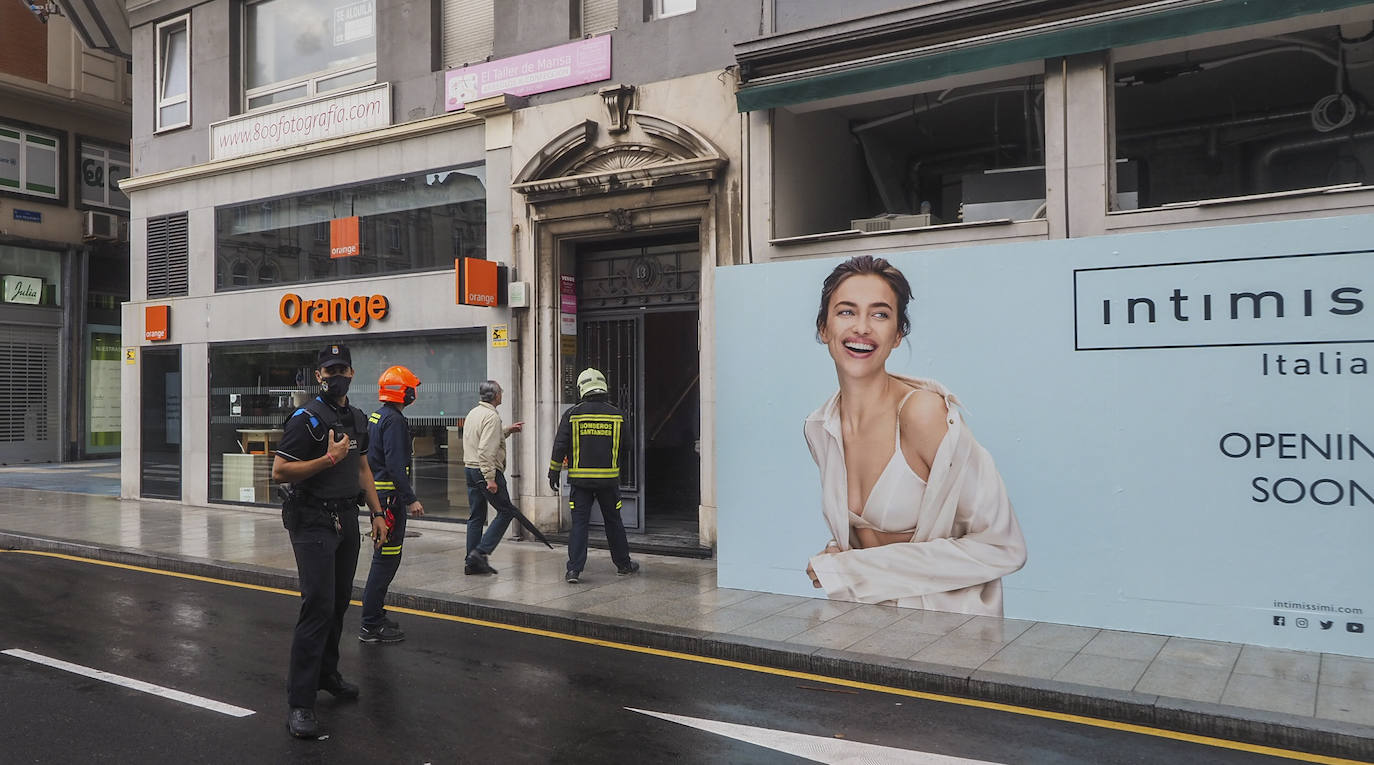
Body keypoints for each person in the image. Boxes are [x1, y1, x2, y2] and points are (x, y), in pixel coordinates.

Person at [803, 255, 1027, 617]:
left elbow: (1003, 547)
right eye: (846, 311)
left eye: (880, 314)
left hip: (947, 638)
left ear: (897, 335)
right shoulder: (820, 427)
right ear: (824, 328)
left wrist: (850, 569)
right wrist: (838, 554)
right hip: (862, 627)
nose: (862, 327)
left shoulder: (922, 414)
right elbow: (868, 541)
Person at [273, 343, 387, 739]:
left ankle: (328, 674)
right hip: (312, 521)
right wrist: (328, 460)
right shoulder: (306, 418)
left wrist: (376, 512)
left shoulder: (356, 417)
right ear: (318, 375)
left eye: (342, 368)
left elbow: (362, 467)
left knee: (338, 604)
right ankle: (300, 703)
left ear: (352, 373)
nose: (335, 374)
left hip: (347, 520)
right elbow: (280, 471)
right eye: (329, 369)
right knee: (317, 606)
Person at [548, 368, 640, 584]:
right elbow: (628, 447)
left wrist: (553, 472)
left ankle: (574, 571)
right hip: (609, 482)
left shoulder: (571, 415)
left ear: (582, 388)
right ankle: (624, 565)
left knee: (579, 524)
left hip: (580, 483)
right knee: (614, 522)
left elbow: (559, 446)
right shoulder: (617, 415)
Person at [359, 365, 425, 644]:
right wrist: (411, 499)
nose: (414, 393)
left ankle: (375, 616)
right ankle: (371, 624)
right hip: (390, 502)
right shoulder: (395, 421)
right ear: (402, 392)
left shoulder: (378, 415)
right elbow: (396, 466)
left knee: (383, 558)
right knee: (386, 560)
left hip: (381, 499)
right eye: (411, 388)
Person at [461, 380, 524, 574]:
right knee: (506, 511)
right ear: (495, 395)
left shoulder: (474, 413)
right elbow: (486, 450)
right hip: (485, 470)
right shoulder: (491, 416)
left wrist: (508, 431)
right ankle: (480, 553)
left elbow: (483, 439)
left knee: (476, 516)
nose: (502, 395)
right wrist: (490, 478)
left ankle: (471, 563)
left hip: (470, 469)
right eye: (501, 392)